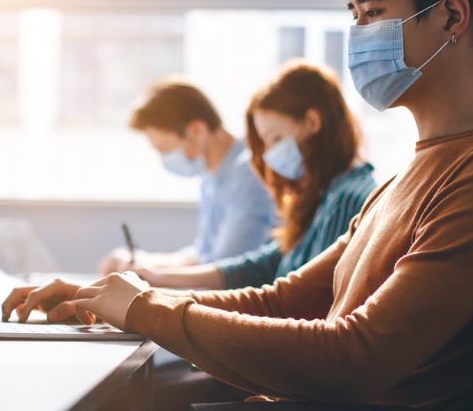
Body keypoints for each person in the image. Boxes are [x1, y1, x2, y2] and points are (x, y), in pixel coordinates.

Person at [1, 0, 473, 408]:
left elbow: (356, 357)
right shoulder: (412, 171)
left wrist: (147, 309)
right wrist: (112, 297)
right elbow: (285, 299)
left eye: (372, 11)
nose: (358, 32)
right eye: (354, 14)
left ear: (453, 18)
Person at [134, 61, 376, 291]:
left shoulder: (345, 198)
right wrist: (156, 278)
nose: (268, 156)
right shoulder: (321, 194)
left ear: (312, 122)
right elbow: (262, 265)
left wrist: (166, 300)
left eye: (276, 139)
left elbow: (299, 299)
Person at [98, 78, 275, 274]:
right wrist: (141, 262)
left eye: (165, 148)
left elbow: (225, 266)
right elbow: (202, 253)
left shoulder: (248, 174)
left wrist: (152, 275)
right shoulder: (211, 178)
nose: (164, 158)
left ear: (196, 130)